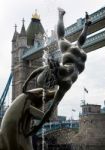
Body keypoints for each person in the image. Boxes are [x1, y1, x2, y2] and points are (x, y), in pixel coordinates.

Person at [23, 8, 91, 136]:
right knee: (62, 38)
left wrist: (36, 130)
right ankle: (62, 16)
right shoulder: (56, 71)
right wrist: (25, 84)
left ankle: (84, 25)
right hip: (70, 57)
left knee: (77, 44)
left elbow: (49, 111)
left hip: (79, 61)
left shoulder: (65, 86)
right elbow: (38, 71)